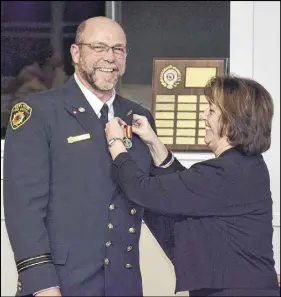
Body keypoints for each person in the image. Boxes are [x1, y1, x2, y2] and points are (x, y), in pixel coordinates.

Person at [4, 16, 163, 296]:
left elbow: (156, 195)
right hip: (62, 285)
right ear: (76, 54)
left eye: (118, 49)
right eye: (99, 47)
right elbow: (23, 209)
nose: (110, 58)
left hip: (123, 286)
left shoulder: (138, 118)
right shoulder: (39, 113)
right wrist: (42, 284)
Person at [105, 74, 279, 296]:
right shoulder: (245, 166)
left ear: (232, 121)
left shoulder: (226, 172)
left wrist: (115, 143)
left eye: (212, 111)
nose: (203, 114)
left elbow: (143, 190)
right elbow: (189, 189)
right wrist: (153, 142)